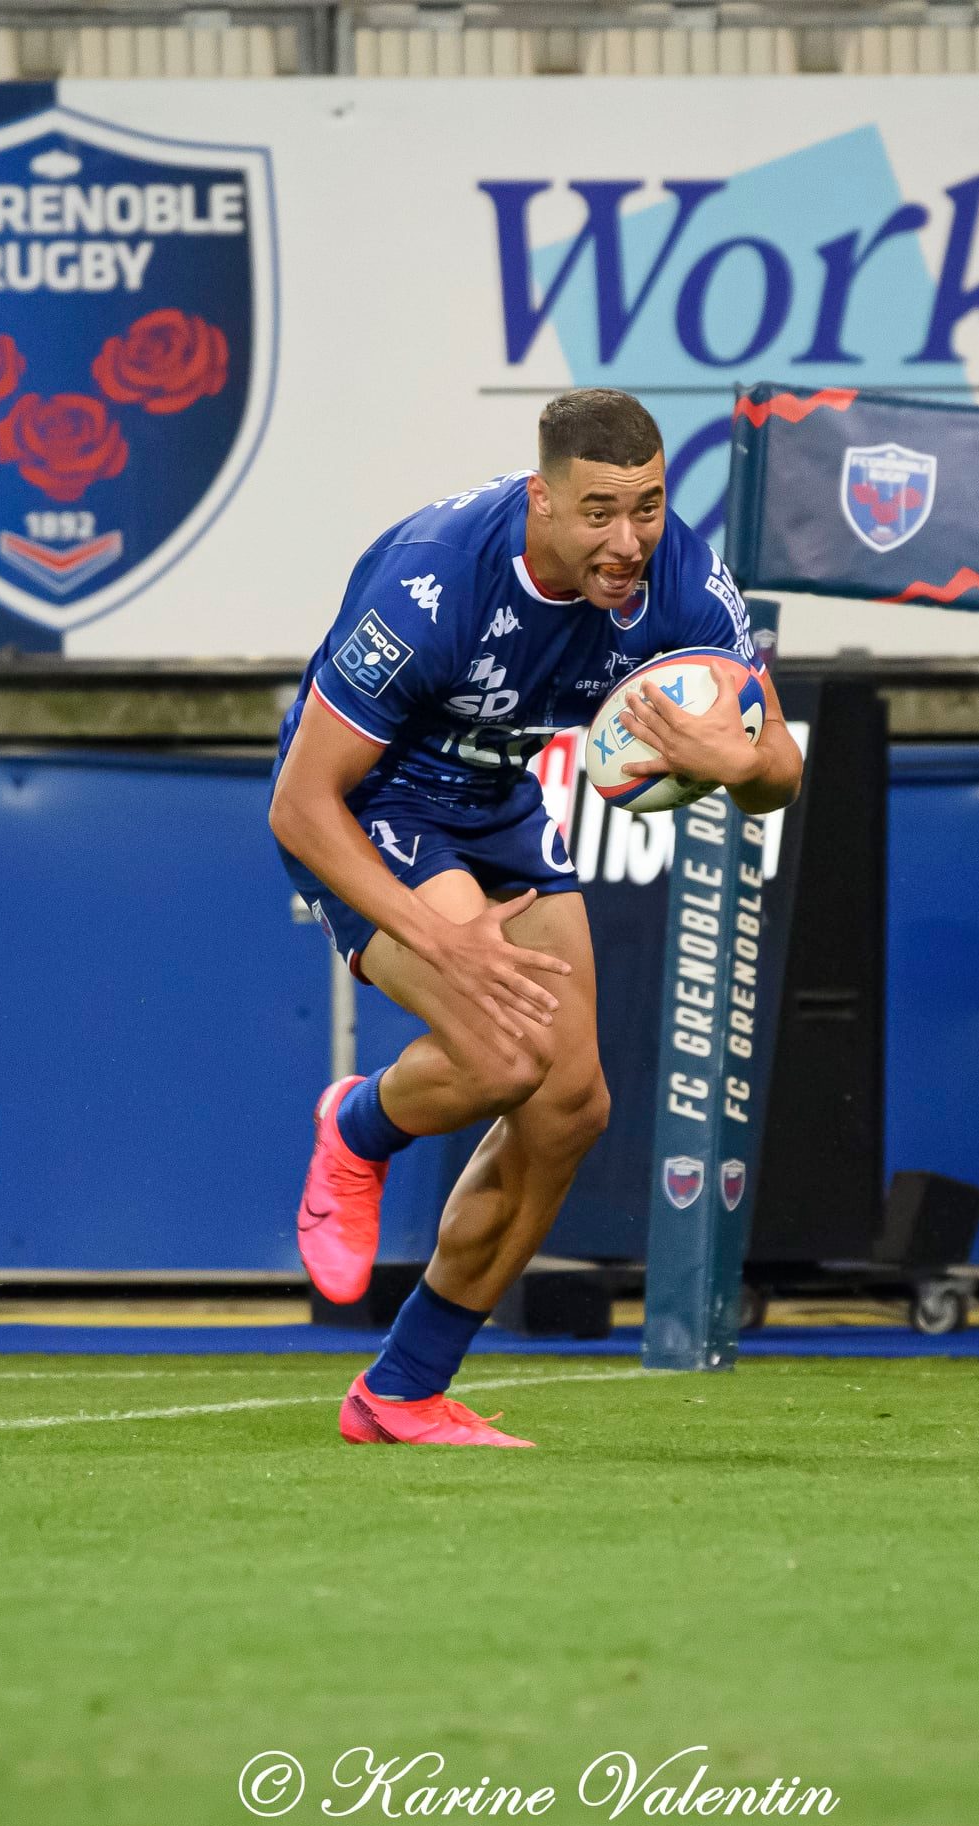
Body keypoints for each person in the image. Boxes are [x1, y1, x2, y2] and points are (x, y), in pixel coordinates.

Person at [268, 389, 803, 1448]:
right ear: (542, 501)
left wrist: (738, 766)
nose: (629, 539)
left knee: (571, 1107)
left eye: (647, 506)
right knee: (505, 1054)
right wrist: (439, 939)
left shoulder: (687, 582)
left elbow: (779, 765)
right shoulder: (432, 583)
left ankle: (402, 1392)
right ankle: (358, 1127)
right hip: (377, 802)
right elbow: (300, 801)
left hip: (502, 801)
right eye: (599, 512)